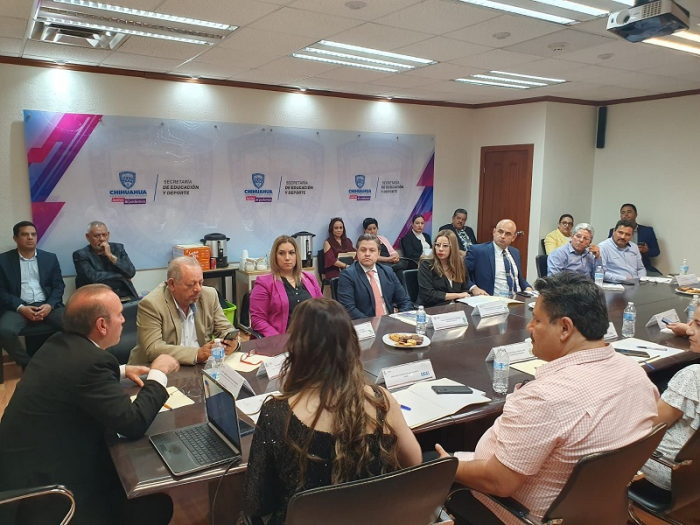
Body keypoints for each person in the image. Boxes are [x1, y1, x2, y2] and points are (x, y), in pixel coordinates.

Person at [435, 272, 659, 525]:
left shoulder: (545, 398)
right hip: (598, 510)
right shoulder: (635, 373)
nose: (529, 327)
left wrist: (449, 467)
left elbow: (499, 482)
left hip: (520, 512)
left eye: (537, 319)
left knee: (424, 466)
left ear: (565, 328)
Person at [0, 284, 179, 525]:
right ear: (102, 325)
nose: (123, 320)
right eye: (119, 314)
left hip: (19, 471)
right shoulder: (90, 363)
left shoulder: (58, 342)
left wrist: (121, 370)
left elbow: (72, 376)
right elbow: (133, 422)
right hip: (46, 493)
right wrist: (158, 373)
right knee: (155, 507)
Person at [243, 298, 422, 524]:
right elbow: (414, 464)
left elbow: (256, 502)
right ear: (351, 345)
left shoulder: (276, 413)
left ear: (296, 348)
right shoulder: (381, 402)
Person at [127, 256, 239, 365]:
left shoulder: (209, 295)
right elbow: (153, 349)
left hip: (197, 367)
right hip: (155, 368)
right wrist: (197, 353)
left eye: (200, 283)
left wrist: (233, 343)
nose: (198, 289)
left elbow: (225, 328)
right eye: (191, 284)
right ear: (172, 284)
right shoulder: (152, 304)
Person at [641, 307, 700, 491]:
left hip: (668, 469)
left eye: (698, 325)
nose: (690, 331)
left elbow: (647, 428)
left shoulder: (693, 376)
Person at [0, 220, 65, 369]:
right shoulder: (3, 261)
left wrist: (49, 305)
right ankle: (30, 365)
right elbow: (1, 291)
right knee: (4, 331)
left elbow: (58, 286)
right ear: (15, 238)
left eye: (33, 234)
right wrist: (21, 307)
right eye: (25, 234)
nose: (30, 237)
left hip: (47, 305)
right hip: (17, 307)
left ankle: (64, 362)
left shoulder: (50, 258)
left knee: (75, 324)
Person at [250, 235, 323, 337]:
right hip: (282, 339)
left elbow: (322, 308)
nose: (287, 258)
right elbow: (257, 320)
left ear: (296, 256)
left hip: (311, 337)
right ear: (275, 256)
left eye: (291, 253)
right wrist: (279, 340)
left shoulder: (309, 278)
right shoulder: (264, 283)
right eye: (282, 253)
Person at [337, 234, 414, 320]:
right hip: (364, 324)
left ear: (378, 253)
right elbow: (348, 309)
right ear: (357, 252)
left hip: (390, 322)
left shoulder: (387, 271)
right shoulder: (347, 275)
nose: (367, 254)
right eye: (363, 250)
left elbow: (405, 301)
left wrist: (399, 319)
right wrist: (372, 324)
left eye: (372, 250)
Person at [73, 220, 138, 301]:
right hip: (96, 296)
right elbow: (93, 278)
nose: (102, 239)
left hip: (123, 293)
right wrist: (121, 276)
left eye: (104, 235)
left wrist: (110, 256)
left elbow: (131, 272)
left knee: (139, 305)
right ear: (88, 237)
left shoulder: (118, 248)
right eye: (97, 236)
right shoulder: (80, 254)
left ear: (108, 234)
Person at [465, 219, 531, 297]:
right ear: (494, 232)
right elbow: (461, 274)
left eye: (508, 234)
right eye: (500, 232)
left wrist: (528, 288)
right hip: (492, 299)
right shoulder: (478, 251)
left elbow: (518, 278)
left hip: (518, 299)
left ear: (513, 237)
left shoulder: (515, 252)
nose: (503, 236)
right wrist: (473, 288)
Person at [418, 230, 475, 307]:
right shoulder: (426, 264)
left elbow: (464, 288)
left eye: (445, 246)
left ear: (453, 248)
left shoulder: (460, 264)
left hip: (456, 307)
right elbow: (428, 295)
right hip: (433, 308)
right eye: (437, 245)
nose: (440, 249)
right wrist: (457, 295)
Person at [607, 204, 660, 273]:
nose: (626, 214)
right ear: (620, 216)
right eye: (623, 212)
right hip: (620, 268)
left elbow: (656, 251)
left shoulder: (647, 231)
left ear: (636, 215)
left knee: (660, 277)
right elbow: (609, 250)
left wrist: (646, 251)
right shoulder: (614, 231)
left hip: (643, 267)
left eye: (629, 212)